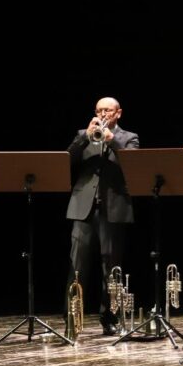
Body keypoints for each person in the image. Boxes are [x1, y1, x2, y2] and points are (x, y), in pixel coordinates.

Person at [66, 97, 139, 336]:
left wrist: (113, 140)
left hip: (112, 208)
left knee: (111, 267)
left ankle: (110, 318)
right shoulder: (84, 135)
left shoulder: (129, 138)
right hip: (83, 208)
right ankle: (72, 319)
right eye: (99, 110)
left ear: (118, 112)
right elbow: (67, 159)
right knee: (76, 265)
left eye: (107, 110)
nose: (103, 114)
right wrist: (85, 136)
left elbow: (134, 166)